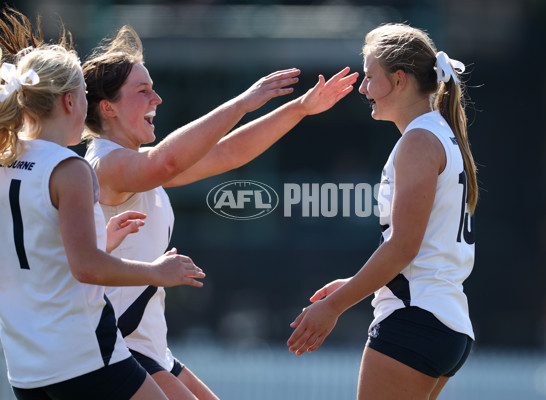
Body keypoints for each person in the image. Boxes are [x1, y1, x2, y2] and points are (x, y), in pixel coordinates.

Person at [82, 25, 358, 400]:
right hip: (118, 346)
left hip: (148, 346)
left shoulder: (132, 162)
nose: (157, 98)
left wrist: (300, 108)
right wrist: (243, 101)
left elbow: (228, 153)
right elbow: (167, 161)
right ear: (108, 107)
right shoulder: (106, 163)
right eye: (143, 91)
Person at [0, 9, 206, 400]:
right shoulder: (68, 166)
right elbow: (87, 268)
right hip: (84, 355)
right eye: (83, 95)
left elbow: (33, 255)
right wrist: (156, 271)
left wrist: (104, 241)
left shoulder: (7, 160)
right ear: (68, 101)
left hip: (26, 368)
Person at [287, 23, 478, 400]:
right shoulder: (438, 133)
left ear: (400, 80)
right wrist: (360, 284)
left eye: (370, 77)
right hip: (441, 320)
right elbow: (419, 250)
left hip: (415, 320)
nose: (362, 89)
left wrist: (334, 307)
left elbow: (404, 247)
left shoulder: (419, 140)